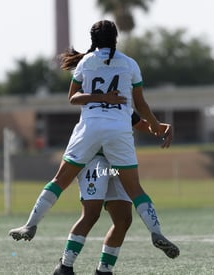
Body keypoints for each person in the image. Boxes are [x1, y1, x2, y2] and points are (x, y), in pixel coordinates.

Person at [9, 19, 179, 268]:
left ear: (93, 41)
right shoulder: (128, 66)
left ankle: (33, 225)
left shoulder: (87, 64)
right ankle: (154, 232)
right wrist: (154, 123)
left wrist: (153, 125)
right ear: (116, 39)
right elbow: (139, 108)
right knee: (128, 194)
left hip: (92, 137)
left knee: (110, 211)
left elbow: (76, 98)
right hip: (110, 147)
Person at [53, 112, 173, 275]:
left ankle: (104, 270)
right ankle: (65, 267)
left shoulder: (123, 103)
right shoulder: (95, 101)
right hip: (96, 163)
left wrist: (159, 127)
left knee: (123, 219)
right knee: (91, 214)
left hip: (117, 164)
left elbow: (140, 124)